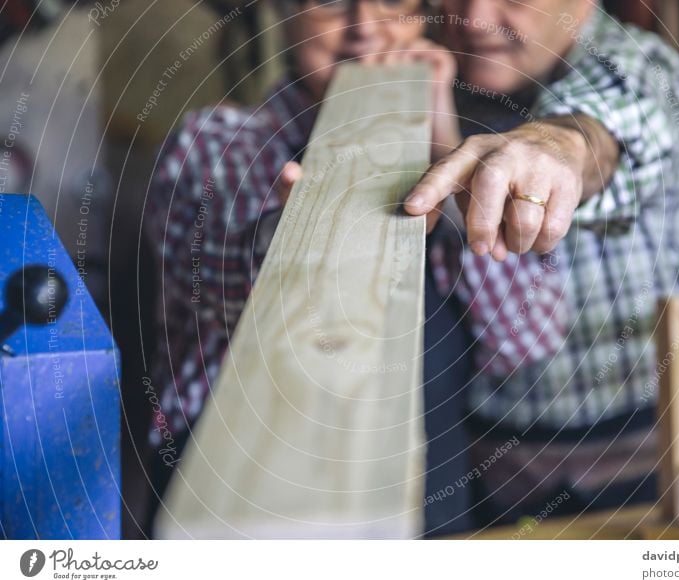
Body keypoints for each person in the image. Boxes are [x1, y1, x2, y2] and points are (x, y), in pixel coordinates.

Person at [396, 0, 679, 526]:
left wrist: (554, 146)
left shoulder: (643, 66)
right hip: (493, 468)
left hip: (657, 466)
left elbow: (605, 127)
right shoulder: (448, 76)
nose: (476, 19)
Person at [143, 0, 473, 537]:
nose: (364, 29)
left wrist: (443, 137)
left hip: (424, 479)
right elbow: (206, 282)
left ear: (425, 17)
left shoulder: (461, 149)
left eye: (393, 3)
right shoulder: (212, 141)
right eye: (331, 4)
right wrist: (286, 235)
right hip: (234, 486)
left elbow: (526, 337)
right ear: (285, 14)